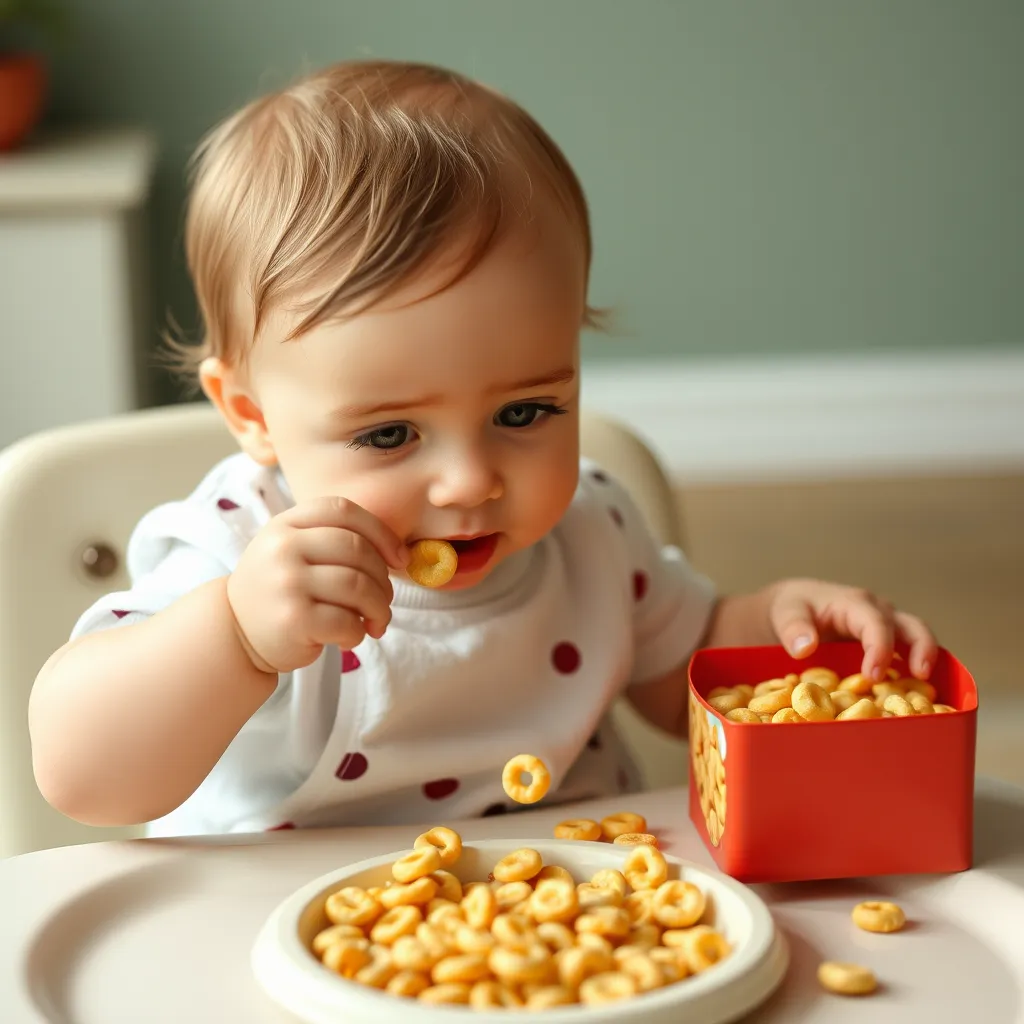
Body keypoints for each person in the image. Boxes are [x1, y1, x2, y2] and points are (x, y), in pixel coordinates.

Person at [28, 60, 937, 838]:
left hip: (570, 943)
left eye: (526, 412)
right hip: (285, 960)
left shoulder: (591, 529)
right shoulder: (246, 557)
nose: (469, 482)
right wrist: (234, 636)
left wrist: (779, 626)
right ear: (250, 412)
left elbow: (680, 670)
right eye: (388, 434)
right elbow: (81, 776)